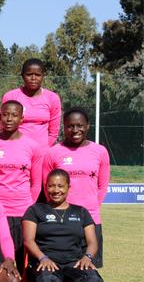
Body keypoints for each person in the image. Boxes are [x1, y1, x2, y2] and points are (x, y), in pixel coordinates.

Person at [22, 169, 103, 282]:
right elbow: (28, 241)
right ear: (45, 187)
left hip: (74, 263)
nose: (56, 190)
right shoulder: (35, 210)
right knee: (46, 281)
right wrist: (43, 257)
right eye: (51, 186)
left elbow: (92, 242)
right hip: (45, 263)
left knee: (93, 280)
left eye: (60, 186)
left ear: (68, 187)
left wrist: (87, 257)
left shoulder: (81, 212)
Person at [42, 107, 110, 268]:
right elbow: (47, 186)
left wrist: (90, 209)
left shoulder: (100, 151)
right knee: (59, 268)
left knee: (89, 270)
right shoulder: (53, 153)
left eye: (79, 125)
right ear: (64, 127)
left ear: (88, 126)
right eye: (70, 126)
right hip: (61, 219)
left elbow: (102, 186)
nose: (75, 130)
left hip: (90, 219)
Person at [0, 100, 43, 270]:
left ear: (22, 119)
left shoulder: (33, 147)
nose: (9, 119)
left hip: (23, 212)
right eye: (5, 115)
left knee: (21, 261)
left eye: (14, 115)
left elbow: (36, 183)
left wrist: (29, 208)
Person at [1, 58, 62, 147]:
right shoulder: (10, 96)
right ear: (22, 75)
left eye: (38, 75)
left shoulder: (52, 98)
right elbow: (4, 127)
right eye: (29, 74)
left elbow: (53, 132)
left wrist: (43, 149)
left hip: (42, 151)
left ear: (43, 76)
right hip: (16, 148)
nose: (33, 78)